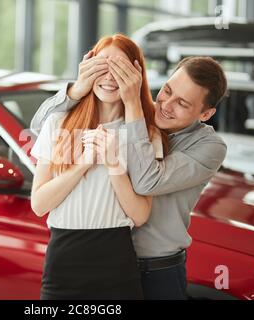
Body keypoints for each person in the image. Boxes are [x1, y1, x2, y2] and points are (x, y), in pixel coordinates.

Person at [31, 50, 228, 299]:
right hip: (107, 262)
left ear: (205, 114)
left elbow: (148, 181)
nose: (165, 106)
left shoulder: (208, 147)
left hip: (158, 270)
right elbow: (40, 128)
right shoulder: (141, 116)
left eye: (182, 103)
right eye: (167, 91)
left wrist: (134, 104)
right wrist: (77, 90)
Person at [30, 34, 166, 300]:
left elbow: (140, 216)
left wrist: (113, 162)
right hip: (64, 261)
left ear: (136, 73)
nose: (109, 76)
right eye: (102, 65)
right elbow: (39, 204)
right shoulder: (59, 123)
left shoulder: (146, 135)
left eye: (120, 67)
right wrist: (84, 163)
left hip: (116, 263)